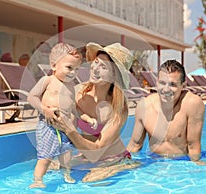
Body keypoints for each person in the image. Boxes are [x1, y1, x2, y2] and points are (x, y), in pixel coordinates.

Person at [51, 42, 140, 183]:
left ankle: (125, 165)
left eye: (103, 67)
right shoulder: (77, 93)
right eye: (96, 62)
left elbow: (97, 150)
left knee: (92, 182)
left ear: (114, 76)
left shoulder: (118, 107)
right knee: (51, 167)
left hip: (112, 158)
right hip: (86, 154)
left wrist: (69, 130)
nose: (95, 69)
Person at [126, 59, 206, 165]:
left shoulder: (192, 104)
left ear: (183, 86)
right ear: (156, 82)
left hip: (182, 162)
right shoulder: (145, 106)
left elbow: (193, 147)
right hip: (154, 162)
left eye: (172, 84)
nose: (166, 89)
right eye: (162, 83)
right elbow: (135, 144)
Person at [27, 43, 84, 188]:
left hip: (65, 128)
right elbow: (31, 97)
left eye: (76, 69)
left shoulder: (71, 87)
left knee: (66, 155)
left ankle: (66, 174)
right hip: (48, 127)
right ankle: (38, 180)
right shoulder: (47, 81)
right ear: (54, 66)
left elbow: (73, 109)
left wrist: (86, 118)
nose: (73, 72)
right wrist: (44, 109)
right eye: (69, 68)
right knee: (45, 157)